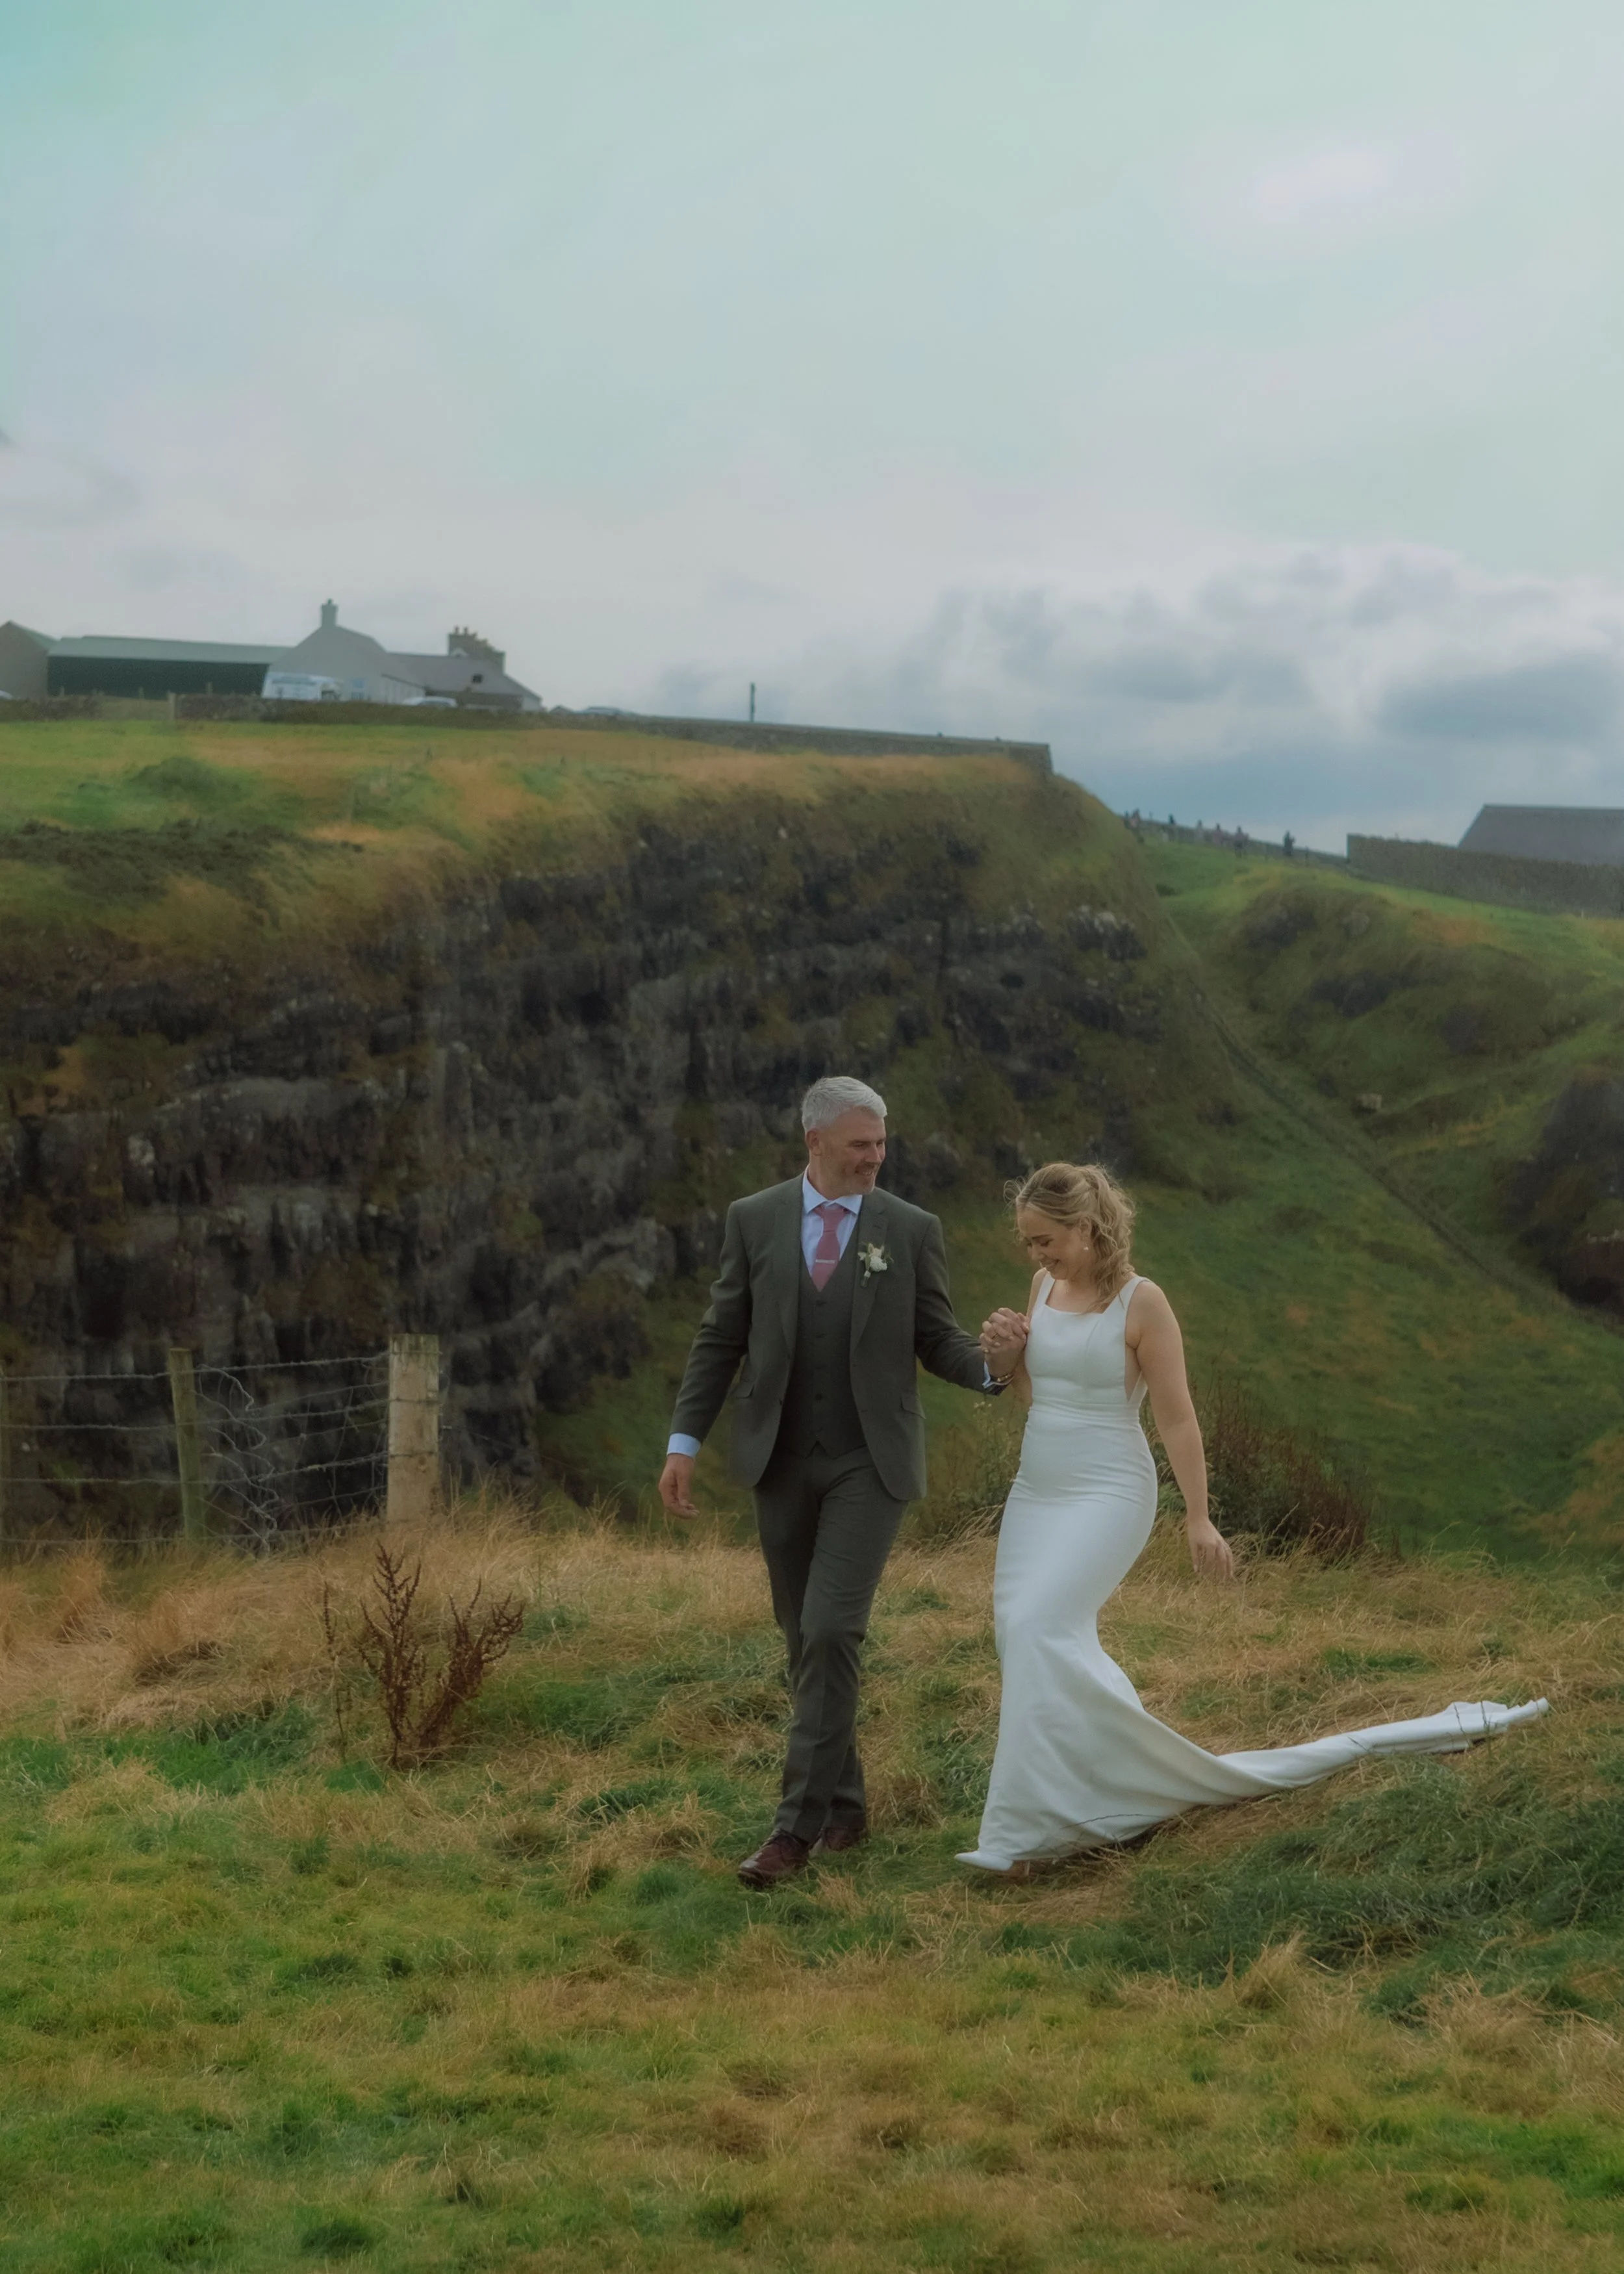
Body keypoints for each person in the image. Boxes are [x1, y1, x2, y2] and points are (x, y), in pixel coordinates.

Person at [959, 1162, 1547, 1874]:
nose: (1035, 1255)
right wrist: (1004, 1358)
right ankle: (1080, 1802)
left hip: (1106, 1493)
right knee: (1026, 1635)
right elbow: (1034, 1397)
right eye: (1027, 1242)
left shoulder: (1142, 1303)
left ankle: (1030, 1829)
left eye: (1044, 1239)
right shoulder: (1040, 1289)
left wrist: (1199, 1518)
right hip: (1036, 1492)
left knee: (1039, 1624)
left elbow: (1176, 1418)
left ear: (1086, 1228)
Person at [660, 1076, 1004, 1889]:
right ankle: (845, 1802)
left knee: (830, 1628)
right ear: (814, 1141)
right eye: (860, 1144)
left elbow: (936, 1336)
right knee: (801, 1636)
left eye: (882, 1143)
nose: (876, 1158)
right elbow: (720, 1337)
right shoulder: (754, 1219)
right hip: (776, 1458)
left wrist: (993, 1369)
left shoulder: (911, 1229)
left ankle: (793, 1833)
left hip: (867, 1463)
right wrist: (684, 1442)